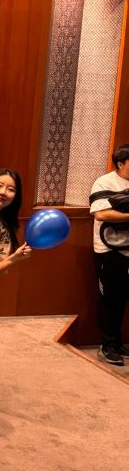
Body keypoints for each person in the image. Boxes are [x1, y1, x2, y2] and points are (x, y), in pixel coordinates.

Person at [89, 143, 129, 366]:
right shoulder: (105, 182)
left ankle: (118, 343)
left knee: (123, 298)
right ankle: (107, 345)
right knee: (110, 299)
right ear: (121, 164)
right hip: (109, 250)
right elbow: (101, 214)